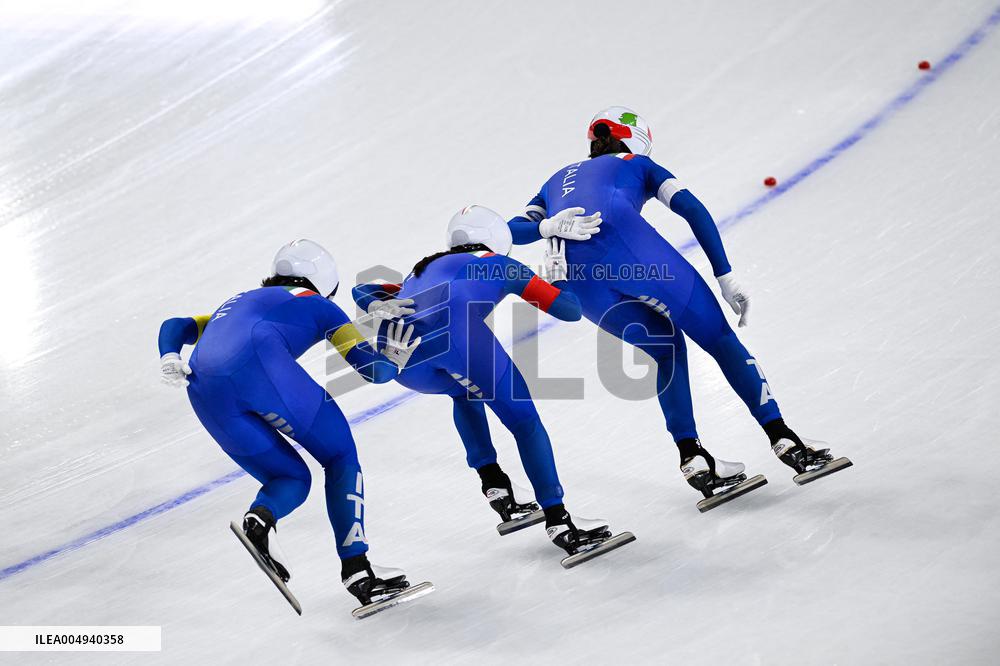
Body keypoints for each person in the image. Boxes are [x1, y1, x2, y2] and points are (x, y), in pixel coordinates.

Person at [505, 107, 849, 508]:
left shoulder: (553, 180)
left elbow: (510, 230)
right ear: (633, 141)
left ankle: (693, 459)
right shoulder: (637, 162)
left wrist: (546, 227)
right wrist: (724, 275)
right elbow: (693, 208)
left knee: (665, 349)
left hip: (576, 280)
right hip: (632, 249)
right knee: (719, 339)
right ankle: (784, 439)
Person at [157, 239, 425, 608]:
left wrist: (169, 356)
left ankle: (261, 520)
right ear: (324, 287)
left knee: (290, 479)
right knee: (340, 455)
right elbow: (374, 371)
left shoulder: (235, 302)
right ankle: (358, 571)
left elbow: (176, 324)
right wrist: (393, 357)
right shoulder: (319, 306)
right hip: (262, 371)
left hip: (203, 390)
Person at [352, 206, 627, 559]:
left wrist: (375, 304)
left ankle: (495, 486)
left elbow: (363, 287)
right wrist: (559, 277)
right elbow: (570, 311)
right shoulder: (502, 264)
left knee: (463, 391)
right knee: (525, 423)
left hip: (404, 359)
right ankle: (560, 522)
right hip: (460, 340)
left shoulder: (421, 267)